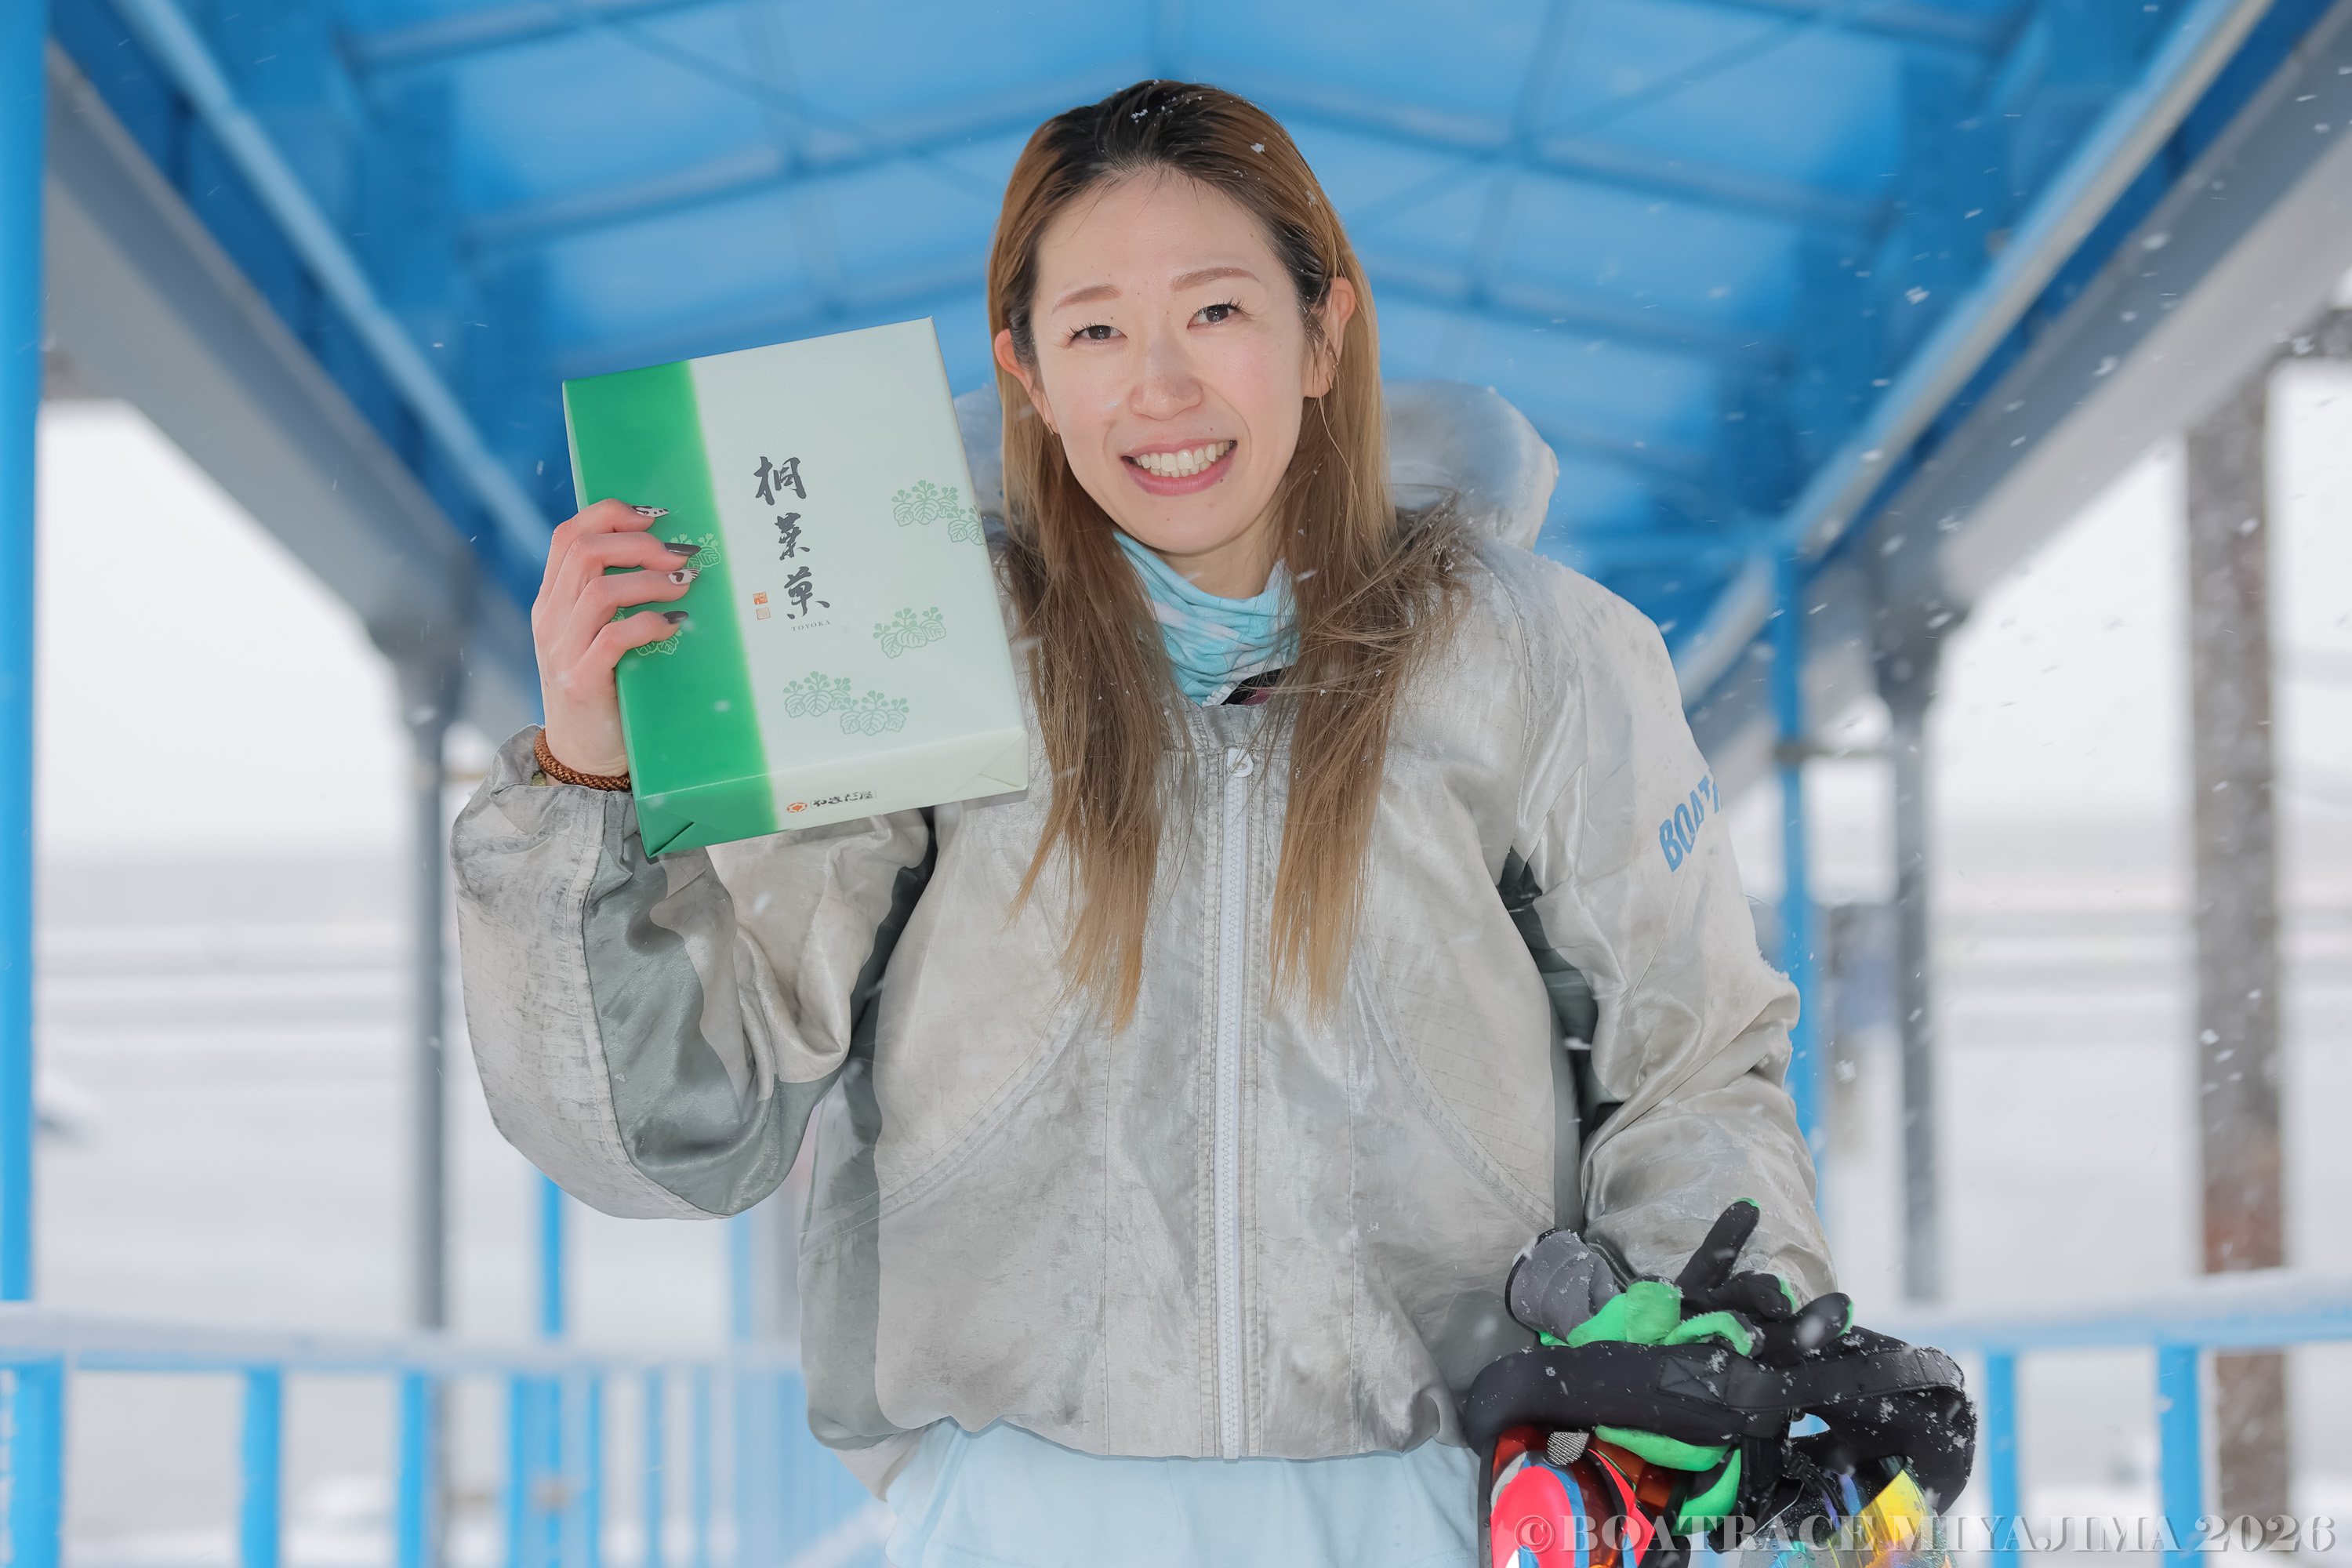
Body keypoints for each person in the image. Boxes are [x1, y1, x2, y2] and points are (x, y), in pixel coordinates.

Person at [456, 78, 1830, 1568]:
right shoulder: (911, 663)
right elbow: (683, 1135)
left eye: (1217, 312)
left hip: (1442, 1513)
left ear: (1323, 333)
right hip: (1008, 1524)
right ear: (1028, 371)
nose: (1160, 390)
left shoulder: (1540, 660)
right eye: (1097, 331)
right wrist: (587, 780)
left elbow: (1692, 1063)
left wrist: (1724, 1349)